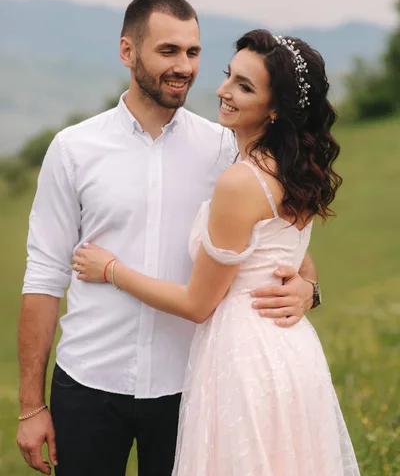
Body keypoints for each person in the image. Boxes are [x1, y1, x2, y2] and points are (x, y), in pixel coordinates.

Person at [17, 0, 319, 476]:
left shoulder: (227, 149)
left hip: (191, 386)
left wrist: (309, 288)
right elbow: (44, 275)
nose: (184, 66)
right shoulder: (73, 149)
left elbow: (281, 244)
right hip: (89, 382)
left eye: (193, 53)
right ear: (127, 52)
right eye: (168, 51)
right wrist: (31, 405)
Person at [73, 29, 361, 475]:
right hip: (291, 352)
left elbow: (197, 304)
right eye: (230, 76)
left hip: (243, 357)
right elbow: (284, 250)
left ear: (276, 107)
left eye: (245, 87)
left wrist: (110, 269)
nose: (224, 91)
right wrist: (307, 284)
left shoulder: (241, 181)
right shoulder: (293, 166)